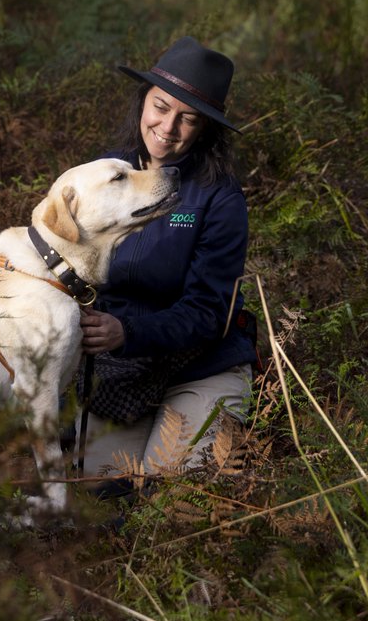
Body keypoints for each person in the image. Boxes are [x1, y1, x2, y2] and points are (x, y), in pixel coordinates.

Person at [77, 36, 257, 485]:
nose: (168, 127)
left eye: (188, 118)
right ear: (143, 101)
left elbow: (208, 312)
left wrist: (126, 331)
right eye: (160, 107)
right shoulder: (106, 174)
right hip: (124, 373)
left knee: (170, 492)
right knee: (93, 493)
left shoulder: (219, 196)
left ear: (205, 129)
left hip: (200, 367)